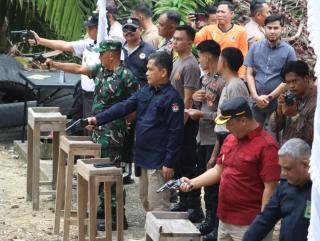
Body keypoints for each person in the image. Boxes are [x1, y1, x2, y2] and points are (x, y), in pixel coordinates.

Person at [45, 40, 138, 229]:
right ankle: (105, 208)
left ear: (111, 54)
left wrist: (125, 122)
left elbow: (135, 103)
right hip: (98, 127)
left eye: (101, 53)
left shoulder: (126, 76)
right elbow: (79, 69)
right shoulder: (101, 70)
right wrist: (54, 64)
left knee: (110, 171)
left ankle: (118, 216)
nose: (99, 56)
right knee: (99, 167)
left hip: (113, 130)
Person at [86, 51, 184, 212]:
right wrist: (98, 119)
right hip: (143, 157)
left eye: (150, 69)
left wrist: (169, 162)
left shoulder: (172, 98)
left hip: (159, 161)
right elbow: (124, 106)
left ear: (163, 72)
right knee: (145, 201)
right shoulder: (146, 90)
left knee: (158, 206)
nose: (146, 73)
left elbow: (176, 132)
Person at [180, 96, 281, 241]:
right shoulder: (230, 139)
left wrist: (262, 225)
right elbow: (217, 171)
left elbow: (270, 189)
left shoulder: (267, 146)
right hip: (225, 218)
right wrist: (192, 183)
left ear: (243, 121)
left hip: (249, 224)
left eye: (229, 124)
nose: (227, 128)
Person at [29, 10, 124, 123]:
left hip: (100, 96)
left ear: (99, 28)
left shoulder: (108, 45)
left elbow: (80, 69)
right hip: (86, 94)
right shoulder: (89, 42)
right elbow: (65, 45)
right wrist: (39, 41)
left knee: (96, 131)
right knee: (87, 130)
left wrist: (54, 64)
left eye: (90, 28)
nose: (87, 30)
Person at [184, 40, 224, 238]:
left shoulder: (224, 81)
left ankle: (215, 222)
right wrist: (196, 101)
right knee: (204, 180)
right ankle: (208, 218)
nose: (199, 61)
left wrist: (203, 115)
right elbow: (201, 106)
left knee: (213, 184)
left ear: (208, 56)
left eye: (200, 56)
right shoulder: (205, 78)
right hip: (202, 136)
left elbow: (224, 116)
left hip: (214, 138)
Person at [243, 138, 312, 241]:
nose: (283, 173)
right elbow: (266, 218)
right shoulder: (285, 186)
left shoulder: (316, 190)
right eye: (281, 168)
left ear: (305, 165)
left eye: (288, 168)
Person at [169, 25, 203, 223]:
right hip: (176, 121)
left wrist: (178, 126)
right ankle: (183, 200)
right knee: (179, 164)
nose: (174, 42)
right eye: (173, 38)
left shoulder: (190, 65)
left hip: (186, 123)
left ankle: (194, 206)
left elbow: (188, 100)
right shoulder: (177, 61)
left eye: (179, 39)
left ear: (190, 42)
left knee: (188, 163)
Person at [244, 14, 297, 126]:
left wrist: (269, 97)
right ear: (264, 28)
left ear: (282, 29)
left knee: (274, 137)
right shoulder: (254, 47)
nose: (272, 31)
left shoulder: (289, 51)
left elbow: (289, 80)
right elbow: (249, 73)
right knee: (254, 135)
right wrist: (255, 96)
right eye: (269, 28)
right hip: (256, 102)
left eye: (276, 28)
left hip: (277, 104)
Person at [194, 1, 248, 78]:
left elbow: (243, 55)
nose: (219, 14)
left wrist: (241, 75)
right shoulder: (208, 29)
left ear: (232, 14)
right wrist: (192, 26)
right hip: (210, 73)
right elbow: (195, 40)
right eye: (218, 12)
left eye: (223, 12)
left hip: (230, 74)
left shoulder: (240, 31)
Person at [269, 60, 317, 147]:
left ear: (306, 78)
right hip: (287, 151)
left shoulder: (317, 101)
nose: (291, 86)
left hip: (306, 156)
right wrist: (279, 111)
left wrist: (295, 116)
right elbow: (274, 128)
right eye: (288, 82)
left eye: (295, 81)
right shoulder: (289, 95)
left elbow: (312, 137)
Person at [122, 17, 155, 87]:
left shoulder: (150, 50)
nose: (128, 32)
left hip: (142, 94)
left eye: (132, 29)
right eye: (125, 29)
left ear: (140, 30)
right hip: (122, 95)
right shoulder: (119, 50)